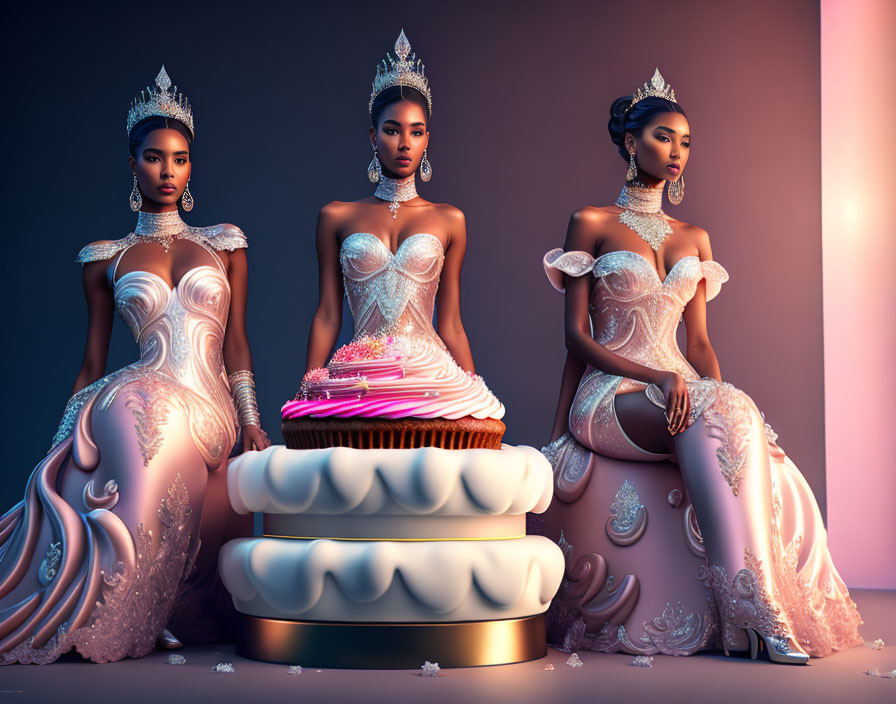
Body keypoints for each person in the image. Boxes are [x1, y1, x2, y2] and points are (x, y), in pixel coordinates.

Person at [541, 69, 862, 664]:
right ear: (630, 143)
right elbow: (575, 338)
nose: (677, 153)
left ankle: (751, 611)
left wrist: (718, 398)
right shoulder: (591, 223)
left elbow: (701, 344)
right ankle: (752, 614)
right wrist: (559, 430)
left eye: (686, 142)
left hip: (679, 392)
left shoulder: (696, 237)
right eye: (664, 138)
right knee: (714, 404)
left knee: (732, 406)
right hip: (611, 395)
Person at [0, 66, 269, 664]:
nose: (167, 171)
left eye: (179, 159)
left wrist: (251, 417)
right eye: (153, 158)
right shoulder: (105, 259)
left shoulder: (224, 244)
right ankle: (108, 607)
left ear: (191, 166)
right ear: (132, 165)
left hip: (211, 407)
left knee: (146, 409)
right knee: (135, 405)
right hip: (143, 394)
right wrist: (63, 441)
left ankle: (134, 606)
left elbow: (238, 346)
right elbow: (93, 361)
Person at [281, 30, 503, 423]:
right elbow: (328, 314)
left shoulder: (450, 219)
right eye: (392, 129)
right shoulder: (336, 216)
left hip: (428, 371)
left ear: (427, 140)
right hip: (361, 371)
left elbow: (450, 323)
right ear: (373, 136)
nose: (405, 142)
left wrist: (474, 392)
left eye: (416, 132)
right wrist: (308, 387)